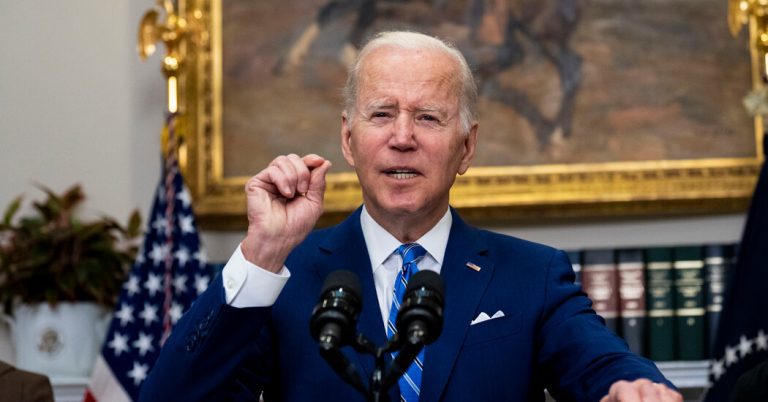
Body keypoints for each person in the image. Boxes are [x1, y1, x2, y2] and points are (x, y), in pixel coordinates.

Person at [140, 31, 682, 402]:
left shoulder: (532, 276)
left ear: (465, 148)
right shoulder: (286, 274)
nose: (402, 138)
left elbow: (604, 367)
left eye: (427, 117)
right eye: (382, 115)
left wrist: (634, 387)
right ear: (349, 141)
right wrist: (262, 253)